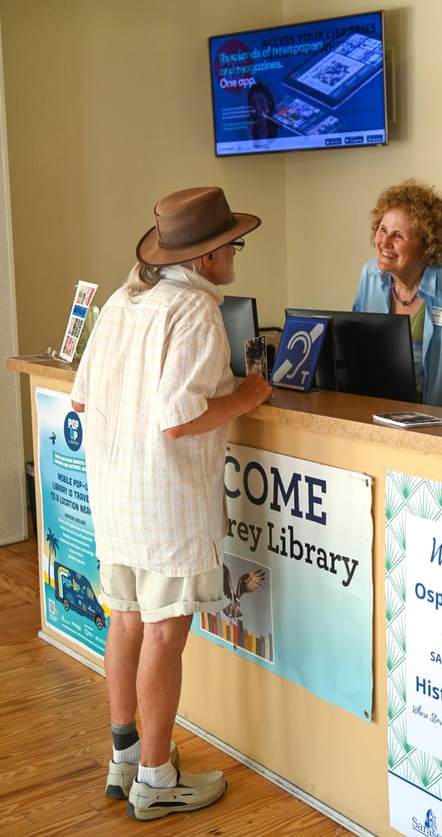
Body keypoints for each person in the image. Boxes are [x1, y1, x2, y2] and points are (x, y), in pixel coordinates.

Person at [70, 186, 273, 821]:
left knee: (126, 621)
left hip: (115, 494)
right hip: (167, 503)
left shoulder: (123, 302)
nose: (235, 254)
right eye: (232, 244)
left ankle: (125, 756)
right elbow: (181, 418)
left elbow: (80, 398)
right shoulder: (194, 312)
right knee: (164, 634)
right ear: (208, 256)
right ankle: (157, 781)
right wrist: (251, 394)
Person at [352, 179, 442, 408]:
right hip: (378, 412)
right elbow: (355, 351)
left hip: (437, 423)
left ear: (425, 245)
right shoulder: (370, 275)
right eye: (383, 230)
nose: (384, 242)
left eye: (398, 236)